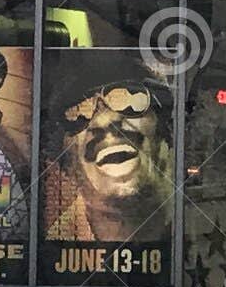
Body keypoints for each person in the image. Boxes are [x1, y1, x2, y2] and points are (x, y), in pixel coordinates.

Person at [44, 60, 173, 249]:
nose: (107, 123)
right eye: (79, 114)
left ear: (165, 136)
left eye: (130, 102)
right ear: (68, 164)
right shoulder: (52, 252)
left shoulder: (197, 230)